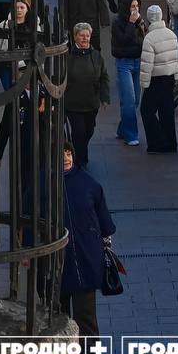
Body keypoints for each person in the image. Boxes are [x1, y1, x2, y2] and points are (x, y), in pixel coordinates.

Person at [60, 141, 116, 338]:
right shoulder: (43, 184)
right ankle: (72, 347)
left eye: (68, 153)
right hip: (62, 259)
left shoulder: (89, 184)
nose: (66, 158)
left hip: (84, 257)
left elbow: (105, 224)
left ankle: (87, 348)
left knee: (83, 311)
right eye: (62, 154)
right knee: (60, 310)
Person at [65, 23, 110, 168]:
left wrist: (104, 97)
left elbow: (104, 77)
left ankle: (78, 150)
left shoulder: (96, 56)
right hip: (73, 103)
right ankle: (81, 161)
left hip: (91, 102)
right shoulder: (68, 56)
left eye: (87, 35)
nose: (85, 38)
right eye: (81, 35)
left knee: (89, 131)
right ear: (75, 36)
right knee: (79, 133)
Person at [139, 5, 178, 153]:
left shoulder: (149, 38)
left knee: (146, 110)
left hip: (156, 79)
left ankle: (157, 142)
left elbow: (147, 64)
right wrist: (176, 75)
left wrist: (144, 84)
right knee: (166, 111)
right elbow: (176, 57)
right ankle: (170, 143)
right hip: (169, 77)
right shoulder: (171, 34)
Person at [110, 0, 147, 147]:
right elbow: (123, 40)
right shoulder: (117, 23)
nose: (135, 9)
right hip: (124, 63)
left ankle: (122, 129)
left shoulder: (139, 22)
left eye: (137, 6)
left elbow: (144, 39)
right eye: (132, 6)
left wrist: (141, 24)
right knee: (129, 100)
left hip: (138, 62)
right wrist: (131, 24)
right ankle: (131, 134)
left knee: (135, 99)